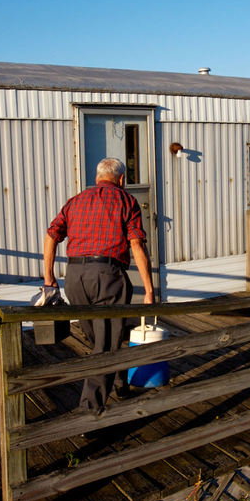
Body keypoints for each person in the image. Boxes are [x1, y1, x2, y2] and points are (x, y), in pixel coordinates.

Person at [43, 157, 154, 411]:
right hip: (107, 276)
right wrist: (148, 290)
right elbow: (136, 244)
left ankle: (119, 381)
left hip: (74, 277)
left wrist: (49, 278)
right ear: (122, 179)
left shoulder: (76, 201)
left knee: (100, 338)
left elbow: (51, 236)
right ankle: (89, 411)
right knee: (105, 345)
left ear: (96, 178)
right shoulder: (127, 201)